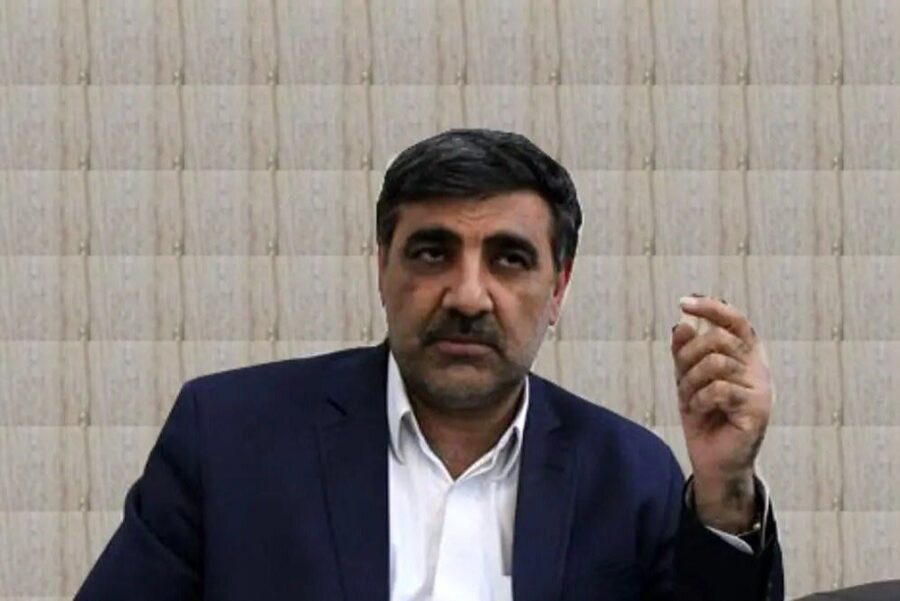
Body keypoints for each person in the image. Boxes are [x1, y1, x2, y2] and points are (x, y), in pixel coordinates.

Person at [75, 129, 783, 600]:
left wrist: (724, 487)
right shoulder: (228, 438)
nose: (468, 295)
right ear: (383, 266)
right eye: (432, 252)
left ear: (559, 288)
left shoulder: (627, 473)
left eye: (509, 259)